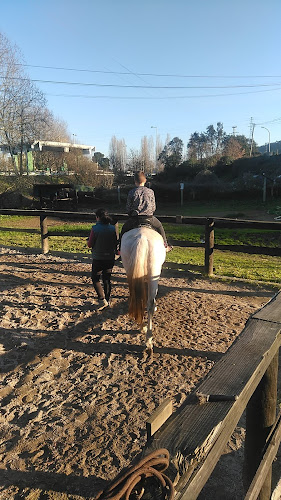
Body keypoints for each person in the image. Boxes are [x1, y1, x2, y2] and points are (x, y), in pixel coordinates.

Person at [120, 171, 172, 251]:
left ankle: (119, 247)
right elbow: (153, 207)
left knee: (124, 228)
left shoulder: (132, 192)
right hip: (149, 218)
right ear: (145, 181)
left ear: (135, 181)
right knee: (159, 226)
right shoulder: (150, 192)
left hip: (135, 219)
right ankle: (165, 245)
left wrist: (131, 213)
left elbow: (128, 208)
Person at [87, 208, 117, 310]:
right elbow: (115, 243)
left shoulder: (94, 228)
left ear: (98, 217)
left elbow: (90, 244)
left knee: (95, 278)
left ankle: (101, 298)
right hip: (110, 257)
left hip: (98, 257)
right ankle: (107, 300)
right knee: (107, 279)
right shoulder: (113, 228)